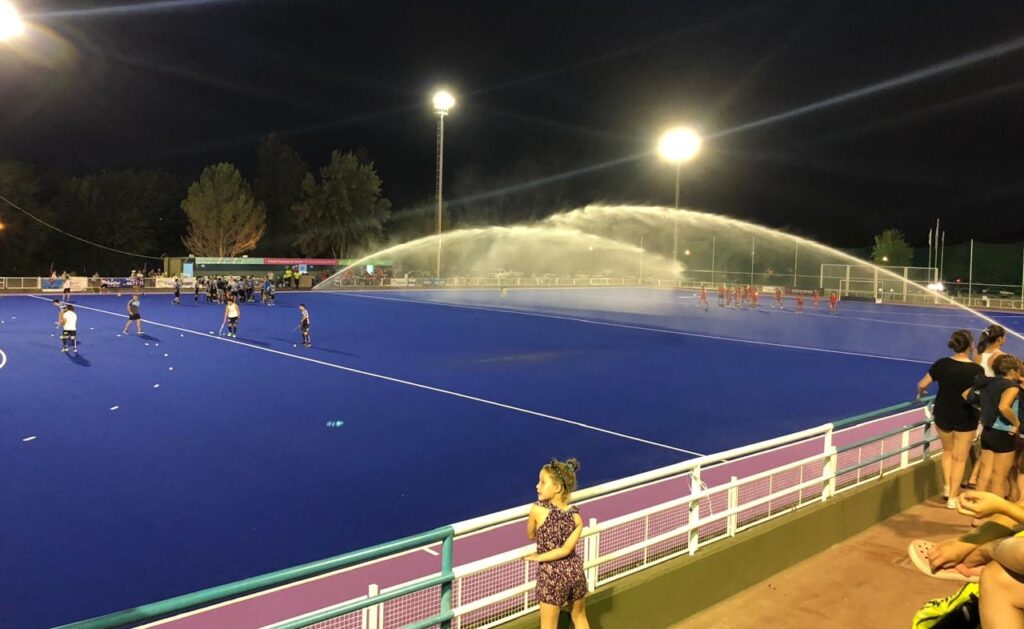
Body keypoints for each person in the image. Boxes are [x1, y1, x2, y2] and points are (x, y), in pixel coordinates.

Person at [917, 330, 985, 508]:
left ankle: (947, 488)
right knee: (960, 458)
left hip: (943, 412)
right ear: (970, 345)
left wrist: (920, 394)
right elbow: (979, 394)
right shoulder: (976, 370)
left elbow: (923, 384)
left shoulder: (942, 364)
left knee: (947, 452)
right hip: (966, 415)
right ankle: (954, 497)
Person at [526, 457, 589, 629]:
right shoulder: (576, 517)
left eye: (542, 482)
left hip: (551, 576)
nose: (537, 486)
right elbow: (567, 549)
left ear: (557, 488)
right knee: (580, 617)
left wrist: (539, 557)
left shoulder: (537, 510)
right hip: (575, 572)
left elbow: (531, 535)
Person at [972, 354, 1022, 506]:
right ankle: (994, 516)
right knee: (999, 479)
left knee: (984, 476)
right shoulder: (1012, 387)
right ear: (1012, 371)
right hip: (1003, 434)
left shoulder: (988, 383)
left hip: (987, 432)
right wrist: (1016, 423)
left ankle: (976, 515)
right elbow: (1004, 407)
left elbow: (968, 396)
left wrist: (984, 412)